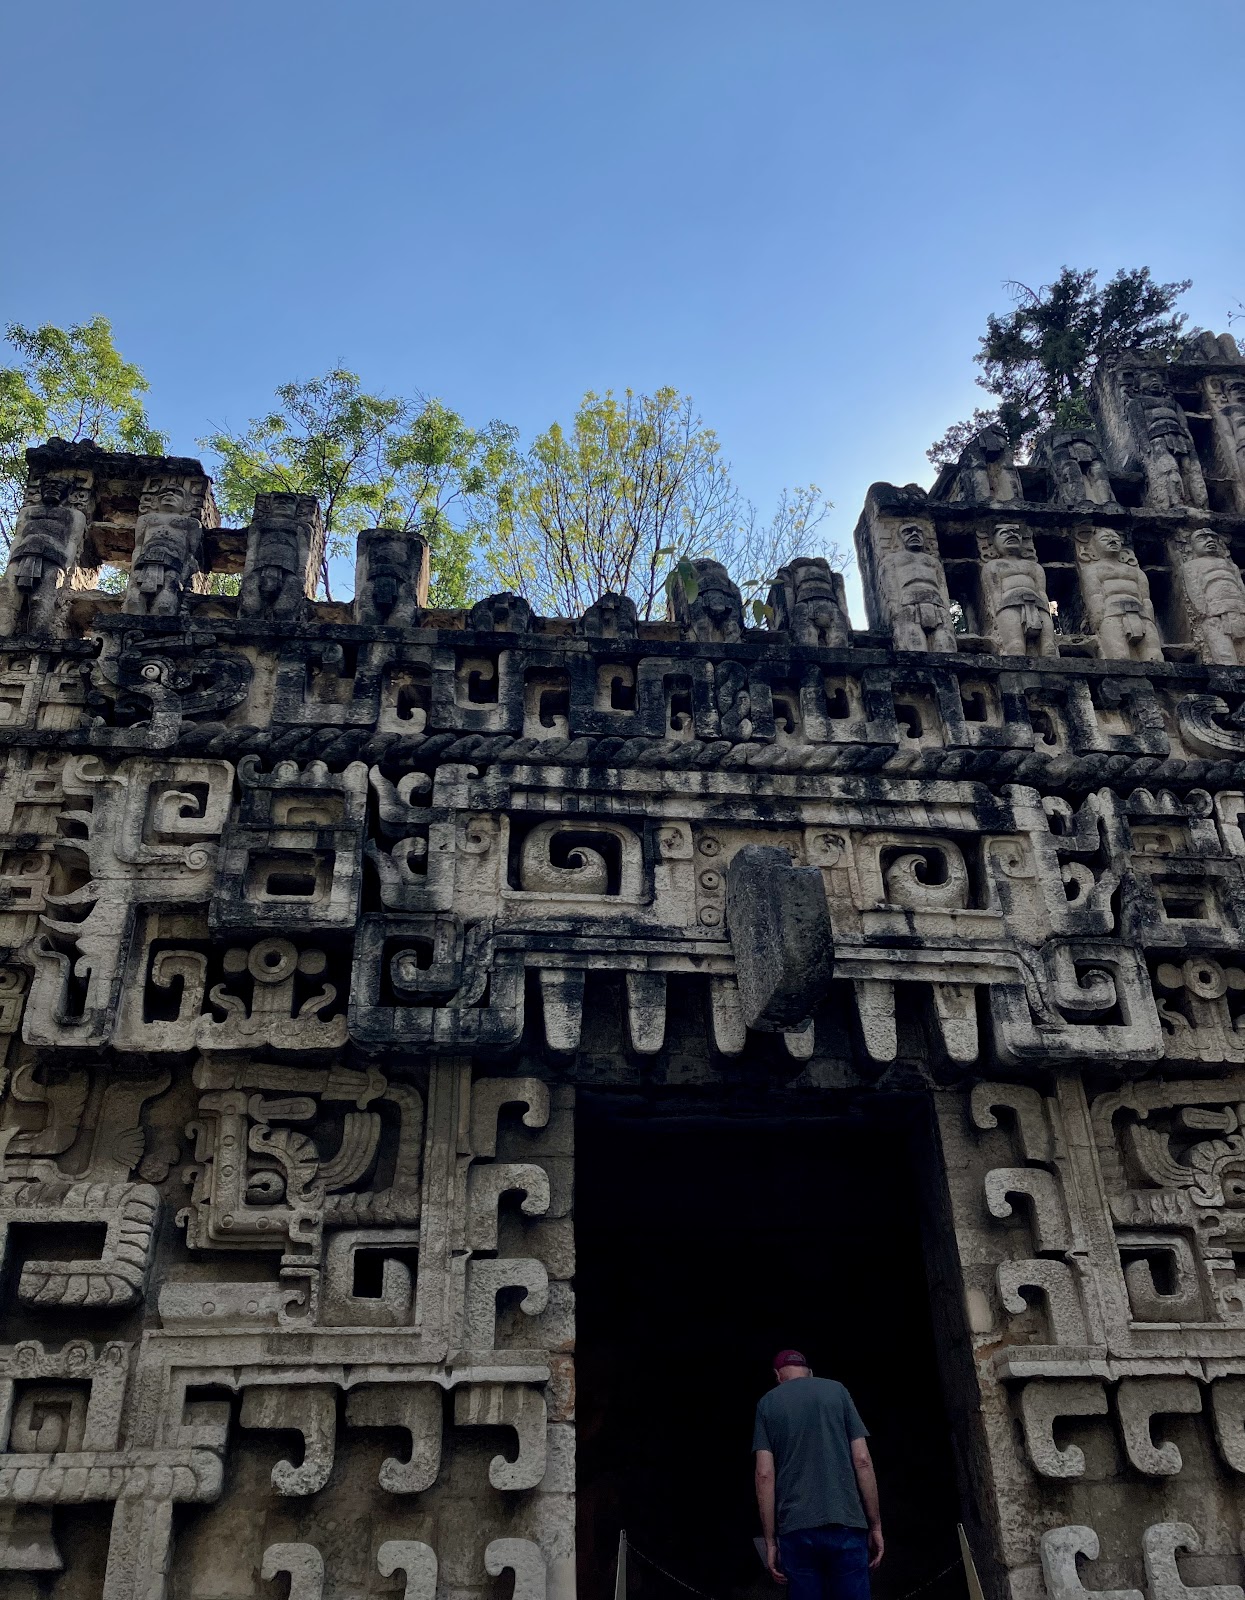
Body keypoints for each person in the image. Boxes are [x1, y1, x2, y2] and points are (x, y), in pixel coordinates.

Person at [753, 1349, 883, 1600]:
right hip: (846, 1522)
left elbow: (764, 1475)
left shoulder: (767, 1404)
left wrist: (770, 1542)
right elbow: (862, 1460)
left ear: (777, 1375)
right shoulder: (838, 1391)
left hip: (796, 1529)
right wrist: (875, 1525)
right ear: (810, 1372)